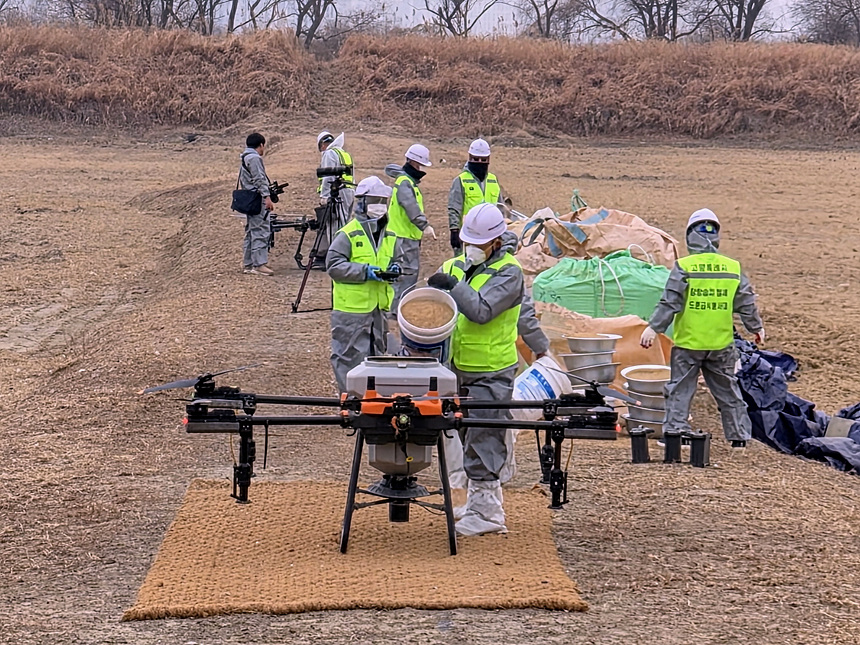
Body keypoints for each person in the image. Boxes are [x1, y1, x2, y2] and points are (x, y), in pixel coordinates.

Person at [427, 203, 548, 536]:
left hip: (491, 370)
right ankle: (477, 503)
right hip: (459, 369)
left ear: (496, 242)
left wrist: (452, 285)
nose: (472, 249)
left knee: (485, 438)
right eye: (469, 242)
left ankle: (489, 514)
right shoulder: (456, 265)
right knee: (468, 436)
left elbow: (481, 311)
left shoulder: (509, 273)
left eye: (479, 243)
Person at [640, 209, 764, 448]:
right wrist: (755, 328)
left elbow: (670, 301)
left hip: (689, 344)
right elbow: (746, 302)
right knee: (728, 393)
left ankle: (677, 436)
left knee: (679, 391)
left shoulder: (685, 266)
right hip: (721, 344)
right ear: (717, 235)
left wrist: (653, 328)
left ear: (689, 236)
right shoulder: (732, 267)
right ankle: (739, 439)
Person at [326, 176, 401, 393]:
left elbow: (397, 259)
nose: (381, 205)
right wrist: (364, 272)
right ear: (362, 202)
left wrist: (394, 270)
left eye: (383, 200)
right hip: (351, 312)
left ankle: (373, 403)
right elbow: (334, 266)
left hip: (377, 311)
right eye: (376, 200)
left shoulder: (389, 235)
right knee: (349, 359)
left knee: (376, 357)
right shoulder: (348, 234)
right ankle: (351, 405)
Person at [386, 143, 437, 312]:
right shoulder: (405, 183)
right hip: (403, 238)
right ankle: (397, 309)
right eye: (419, 165)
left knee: (403, 274)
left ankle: (396, 308)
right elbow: (411, 207)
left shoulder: (407, 182)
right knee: (406, 275)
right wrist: (424, 225)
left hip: (405, 237)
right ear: (412, 162)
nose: (421, 169)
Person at [447, 138, 503, 255]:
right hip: (469, 235)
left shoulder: (493, 180)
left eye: (483, 160)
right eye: (476, 159)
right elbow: (454, 208)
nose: (479, 162)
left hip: (490, 236)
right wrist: (454, 230)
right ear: (469, 157)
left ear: (488, 159)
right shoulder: (461, 180)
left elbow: (500, 207)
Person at [316, 131, 356, 266]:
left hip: (337, 192)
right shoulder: (344, 153)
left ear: (322, 145)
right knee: (345, 224)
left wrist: (325, 196)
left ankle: (336, 259)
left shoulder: (329, 153)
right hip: (349, 191)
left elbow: (328, 176)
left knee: (335, 225)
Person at [240, 132, 274, 276]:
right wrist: (267, 197)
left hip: (249, 198)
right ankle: (259, 264)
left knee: (251, 231)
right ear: (260, 145)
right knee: (261, 230)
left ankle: (248, 263)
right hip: (257, 198)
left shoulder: (245, 157)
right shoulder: (254, 158)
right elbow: (259, 179)